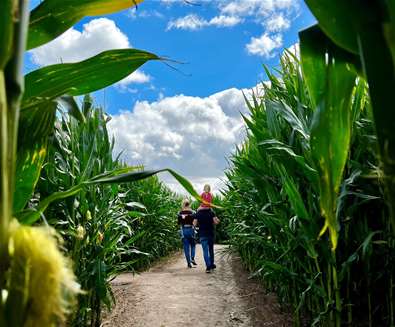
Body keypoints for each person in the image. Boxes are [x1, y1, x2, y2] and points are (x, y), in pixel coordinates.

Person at [193, 207, 220, 273]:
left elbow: (194, 224)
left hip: (202, 234)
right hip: (210, 234)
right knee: (211, 249)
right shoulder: (211, 212)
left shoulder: (198, 213)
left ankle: (208, 267)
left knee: (205, 251)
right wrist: (216, 220)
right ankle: (212, 264)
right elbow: (216, 222)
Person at [177, 199, 197, 268]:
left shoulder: (180, 213)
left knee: (186, 247)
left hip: (184, 230)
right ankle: (192, 258)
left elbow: (179, 224)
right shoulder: (193, 212)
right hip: (191, 230)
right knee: (193, 245)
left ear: (183, 204)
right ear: (189, 204)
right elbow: (194, 223)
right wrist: (193, 228)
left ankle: (189, 263)